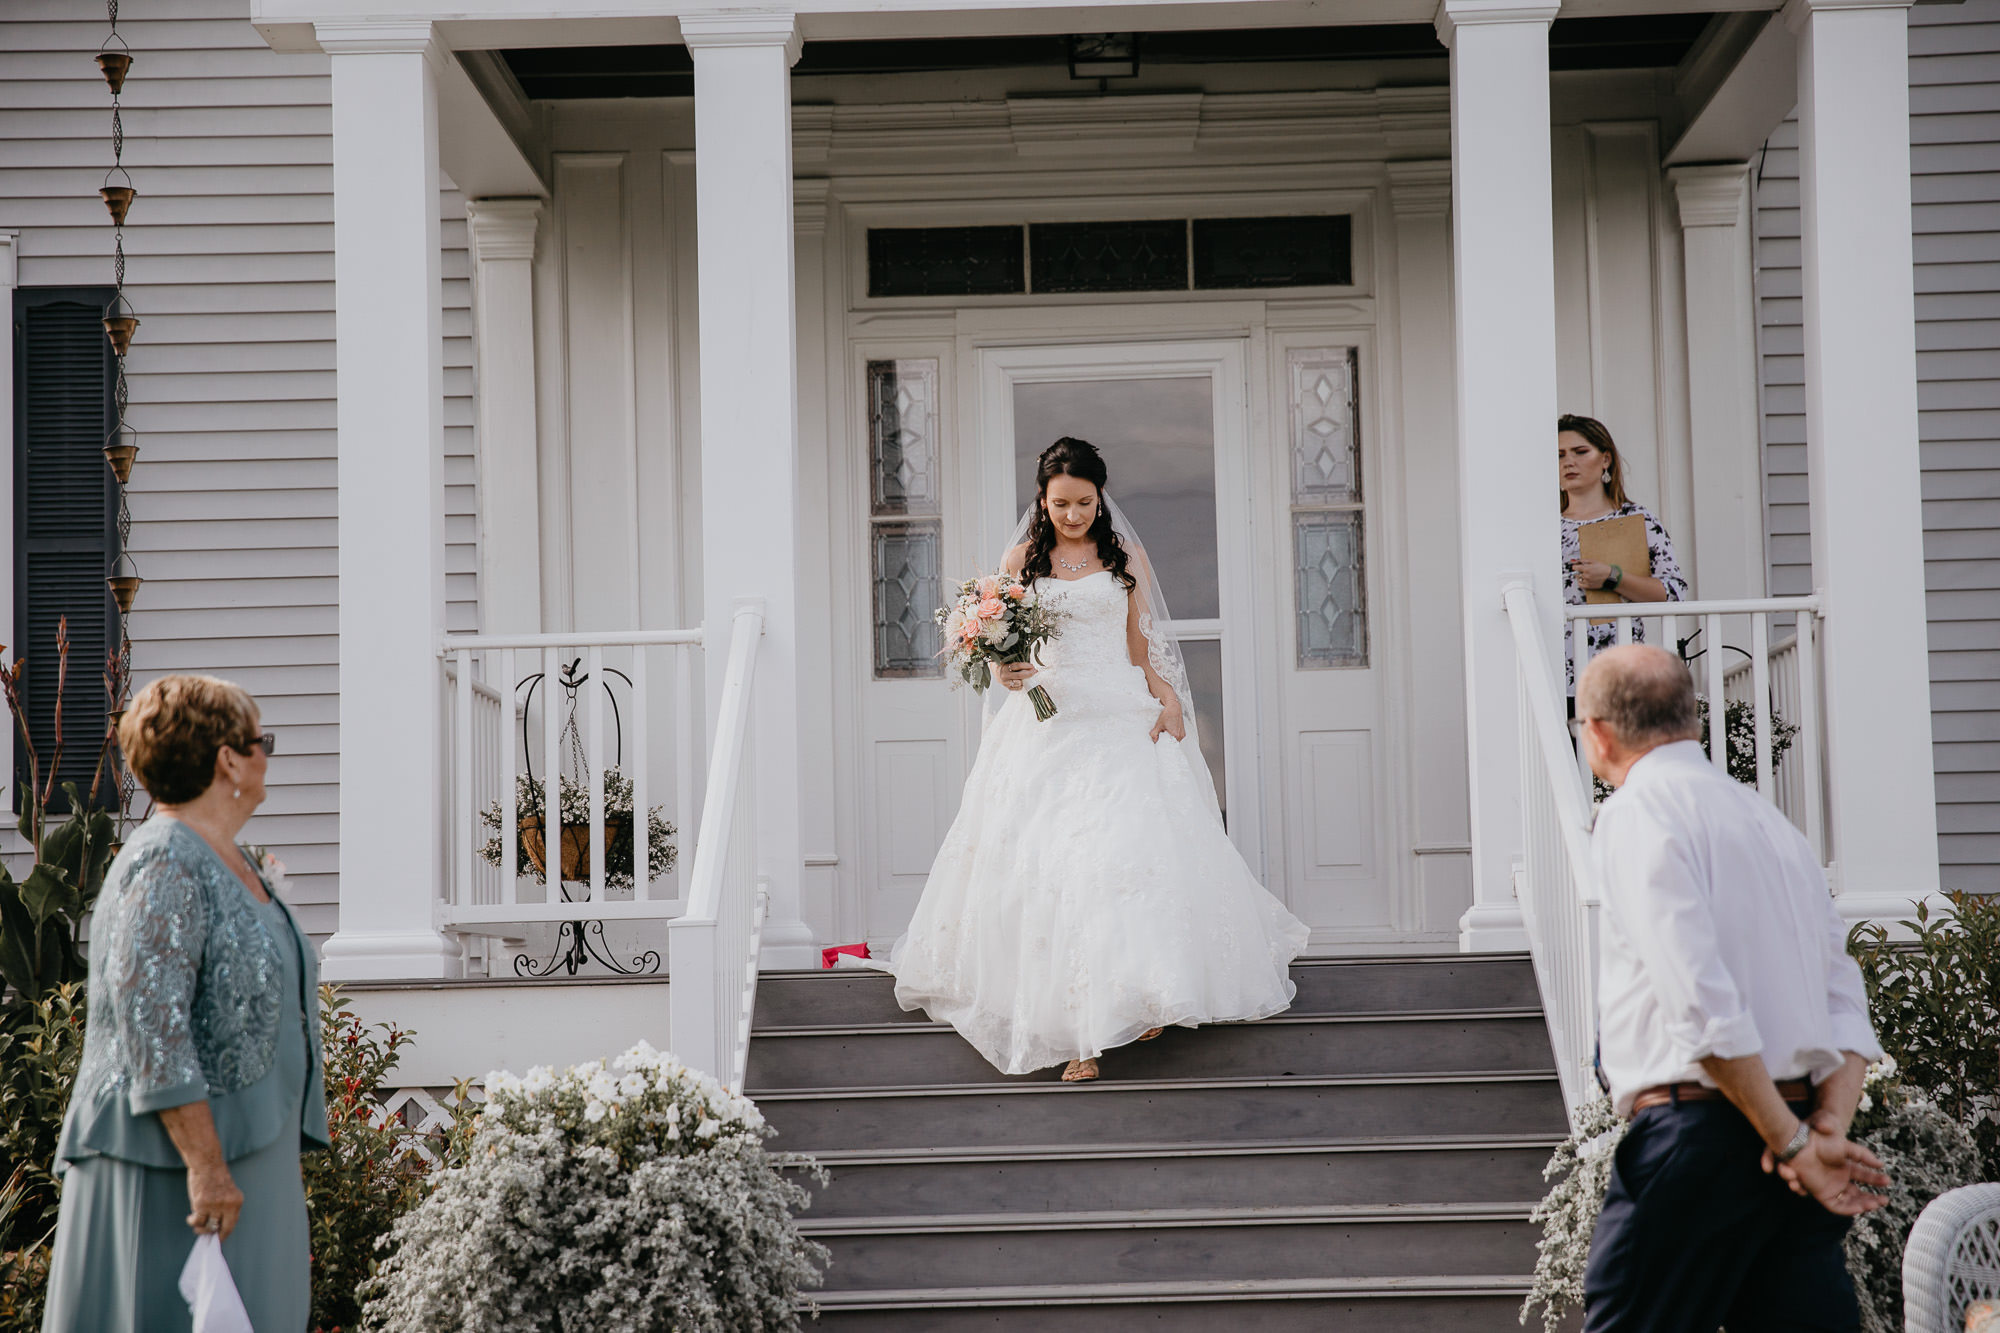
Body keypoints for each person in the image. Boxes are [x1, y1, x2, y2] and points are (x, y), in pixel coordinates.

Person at [888, 438, 1309, 1083]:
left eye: (1084, 502)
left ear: (1100, 497)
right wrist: (1003, 666)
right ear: (1042, 498)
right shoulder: (1022, 558)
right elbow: (1003, 642)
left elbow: (1142, 645)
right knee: (1054, 859)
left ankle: (1146, 992)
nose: (1074, 515)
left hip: (1119, 711)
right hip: (1048, 717)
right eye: (1061, 504)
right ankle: (1076, 1026)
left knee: (1126, 850)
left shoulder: (1125, 555)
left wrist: (1168, 699)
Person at [1575, 645, 1889, 1333]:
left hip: (1698, 1139)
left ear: (1597, 732)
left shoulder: (1635, 813)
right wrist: (1821, 1128)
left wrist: (1796, 1144)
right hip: (1795, 1132)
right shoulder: (1775, 828)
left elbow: (1700, 1003)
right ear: (1690, 720)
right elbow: (1846, 1002)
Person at [41, 675, 328, 1333]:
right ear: (229, 757)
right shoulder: (163, 860)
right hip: (173, 1170)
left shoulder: (229, 858)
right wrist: (206, 1166)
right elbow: (151, 1023)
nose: (265, 758)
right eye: (263, 743)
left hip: (256, 1151)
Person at [1560, 414, 1687, 693]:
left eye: (1580, 452)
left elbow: (1673, 592)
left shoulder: (1636, 519)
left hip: (1620, 675)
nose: (1569, 462)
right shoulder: (1544, 528)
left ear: (1605, 459)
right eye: (1559, 455)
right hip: (1556, 674)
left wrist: (1612, 577)